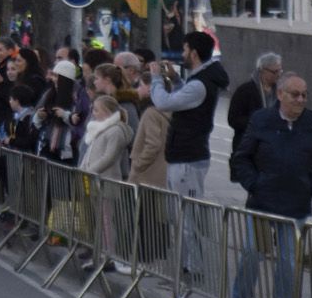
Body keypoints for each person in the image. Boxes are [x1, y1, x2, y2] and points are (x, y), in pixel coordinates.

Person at [229, 73, 312, 298]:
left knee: (288, 260)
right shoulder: (262, 119)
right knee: (253, 254)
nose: (300, 99)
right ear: (280, 95)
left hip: (296, 204)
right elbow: (242, 157)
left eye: (304, 95)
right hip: (263, 201)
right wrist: (255, 184)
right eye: (295, 94)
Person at [150, 31, 229, 204]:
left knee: (187, 219)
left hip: (187, 160)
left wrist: (156, 78)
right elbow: (185, 100)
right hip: (184, 157)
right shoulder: (200, 80)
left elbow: (164, 103)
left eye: (185, 50)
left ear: (194, 53)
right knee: (180, 217)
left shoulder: (200, 84)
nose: (182, 54)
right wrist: (176, 80)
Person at [228, 53, 281, 143]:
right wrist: (259, 122)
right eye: (274, 72)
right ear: (262, 70)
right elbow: (233, 119)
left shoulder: (281, 92)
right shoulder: (245, 90)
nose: (278, 75)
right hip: (247, 144)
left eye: (280, 71)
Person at [79, 95, 133, 178]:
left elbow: (109, 158)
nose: (93, 113)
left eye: (96, 110)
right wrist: (81, 170)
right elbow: (89, 153)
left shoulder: (116, 131)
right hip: (93, 179)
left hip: (107, 180)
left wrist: (89, 171)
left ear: (107, 112)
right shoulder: (99, 129)